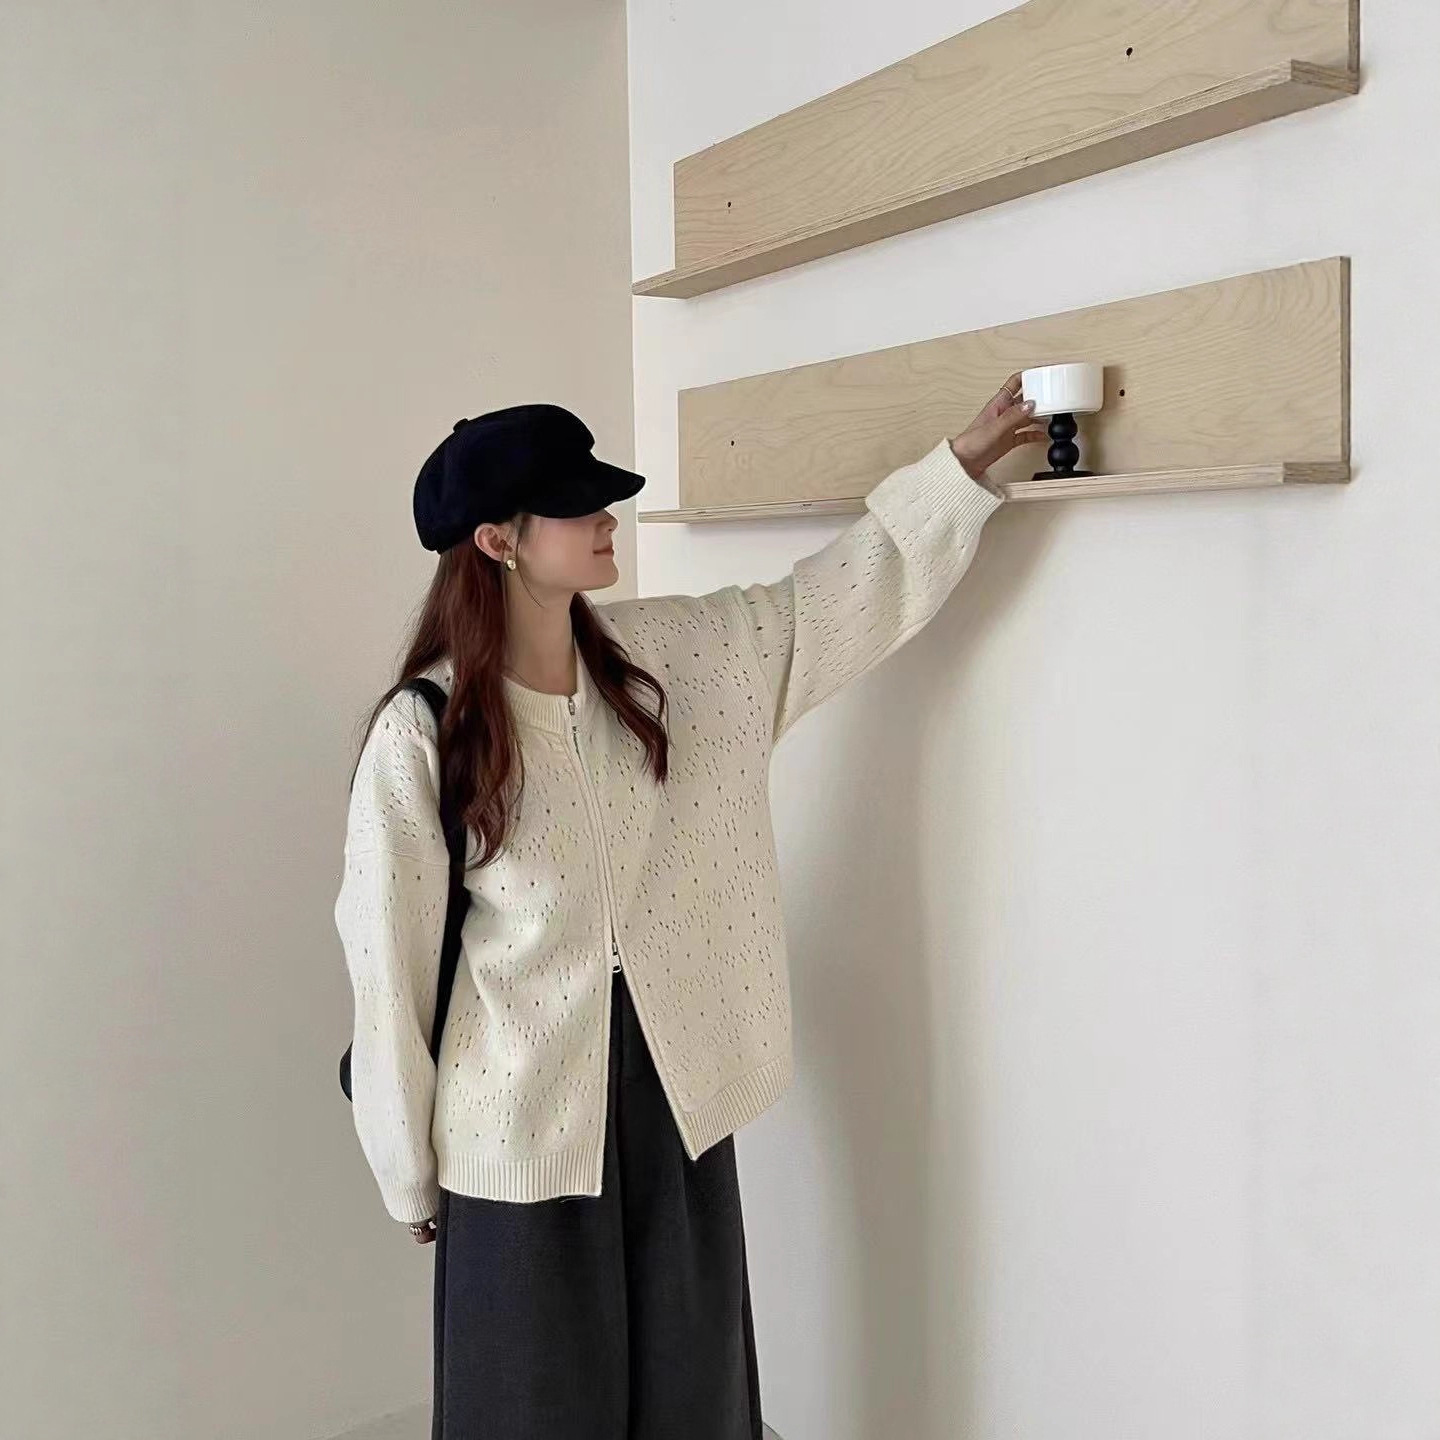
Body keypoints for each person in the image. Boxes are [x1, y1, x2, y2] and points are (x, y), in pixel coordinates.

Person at [334, 380, 1043, 1439]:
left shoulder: (673, 662)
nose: (607, 517)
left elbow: (823, 607)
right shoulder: (424, 732)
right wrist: (409, 1173)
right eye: (577, 505)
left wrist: (960, 470)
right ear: (497, 540)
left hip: (677, 1100)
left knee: (696, 1406)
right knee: (531, 1413)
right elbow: (386, 968)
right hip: (517, 1131)